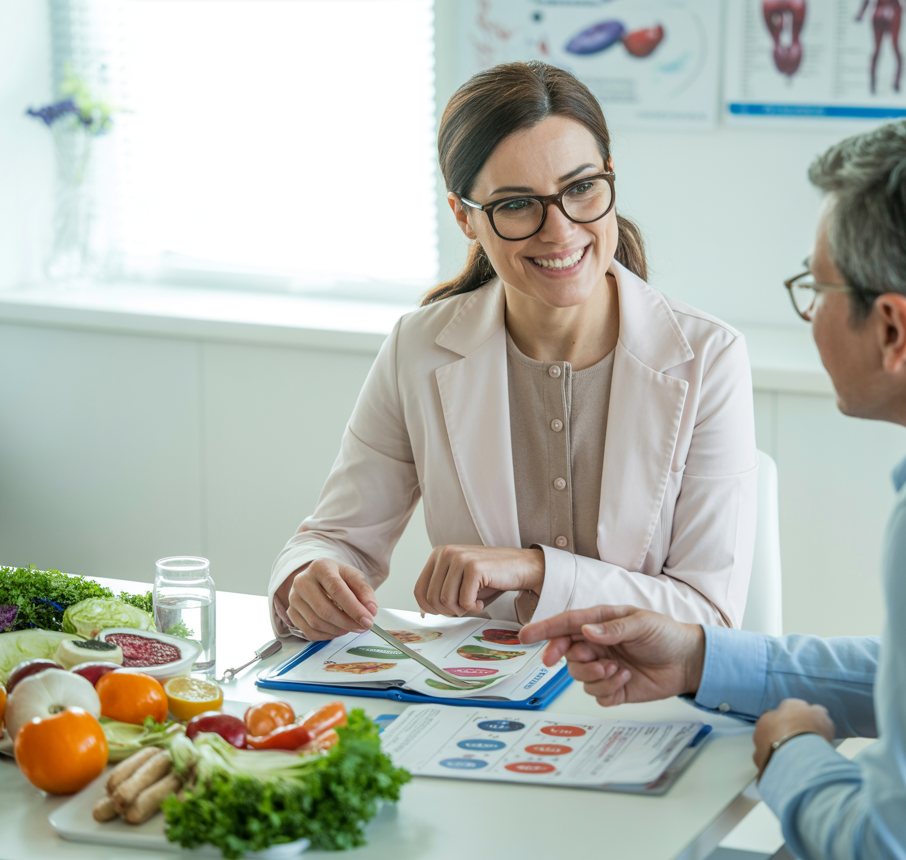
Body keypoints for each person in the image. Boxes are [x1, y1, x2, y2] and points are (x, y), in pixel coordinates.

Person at [522, 115, 906, 860]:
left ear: (892, 329)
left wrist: (793, 754)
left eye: (817, 288)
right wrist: (701, 658)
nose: (811, 313)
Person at [267, 61, 758, 642]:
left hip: (636, 685)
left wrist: (535, 570)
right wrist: (309, 579)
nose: (559, 230)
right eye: (518, 203)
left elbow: (709, 613)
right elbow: (336, 539)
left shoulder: (708, 356)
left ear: (609, 177)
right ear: (465, 217)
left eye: (581, 188)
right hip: (479, 688)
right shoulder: (417, 348)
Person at [856, 0, 906, 94]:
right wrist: (861, 14)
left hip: (891, 11)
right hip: (883, 12)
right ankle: (874, 84)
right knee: (881, 49)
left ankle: (895, 83)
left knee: (893, 47)